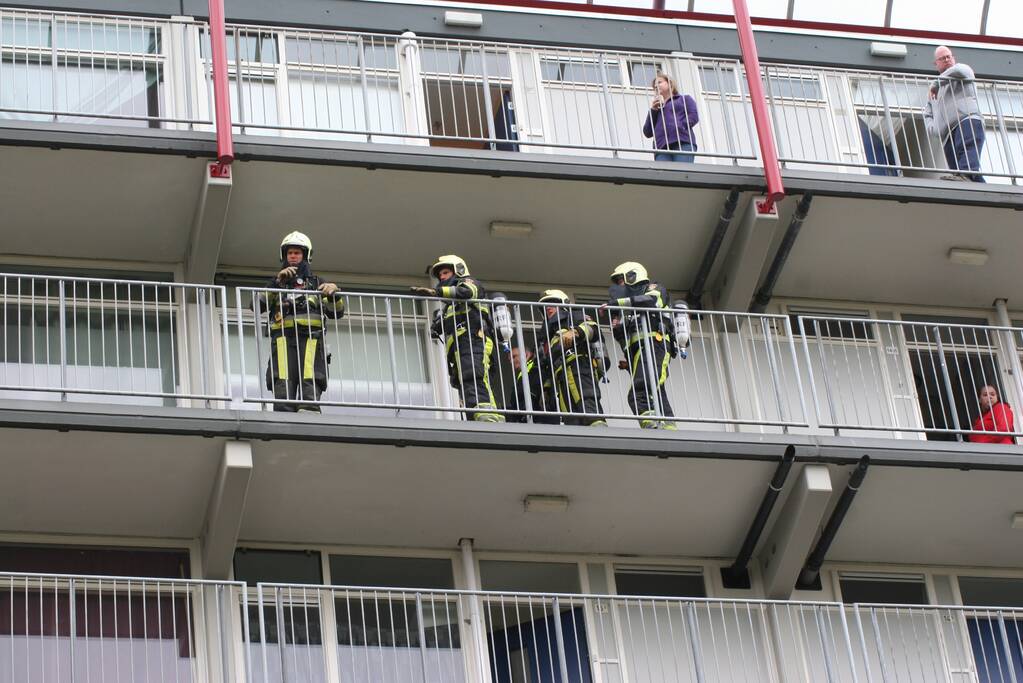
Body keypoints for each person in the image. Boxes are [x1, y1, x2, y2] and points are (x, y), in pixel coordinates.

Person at [411, 255, 503, 423]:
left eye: (445, 272)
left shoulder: (470, 283)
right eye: (440, 275)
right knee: (464, 382)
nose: (442, 277)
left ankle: (488, 417)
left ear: (458, 270)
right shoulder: (450, 306)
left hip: (474, 340)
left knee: (475, 375)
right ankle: (474, 417)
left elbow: (466, 292)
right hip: (460, 348)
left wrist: (436, 292)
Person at [262, 231, 345, 413]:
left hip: (311, 339)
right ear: (284, 256)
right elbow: (257, 305)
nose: (293, 256)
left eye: (297, 253)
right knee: (282, 376)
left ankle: (309, 408)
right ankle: (283, 411)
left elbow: (336, 313)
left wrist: (334, 294)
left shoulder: (317, 283)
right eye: (290, 253)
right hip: (283, 339)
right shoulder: (276, 283)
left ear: (306, 256)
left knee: (311, 374)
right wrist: (277, 283)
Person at [607, 262, 677, 430]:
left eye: (620, 281)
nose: (619, 285)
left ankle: (650, 426)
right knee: (656, 391)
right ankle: (669, 429)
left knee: (639, 392)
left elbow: (651, 301)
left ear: (632, 276)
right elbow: (626, 341)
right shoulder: (630, 310)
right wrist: (617, 327)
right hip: (642, 350)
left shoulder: (653, 288)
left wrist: (619, 303)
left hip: (656, 343)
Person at [538, 289, 607, 427]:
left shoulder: (574, 316)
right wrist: (546, 388)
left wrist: (576, 332)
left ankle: (599, 431)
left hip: (579, 366)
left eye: (552, 303)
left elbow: (593, 328)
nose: (548, 308)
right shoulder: (546, 336)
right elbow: (546, 363)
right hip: (560, 376)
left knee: (586, 399)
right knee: (569, 413)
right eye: (546, 306)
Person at [923, 46, 986, 182]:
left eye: (948, 56)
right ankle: (989, 196)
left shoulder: (963, 70)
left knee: (967, 167)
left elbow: (958, 70)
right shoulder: (935, 92)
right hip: (947, 134)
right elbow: (927, 113)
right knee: (961, 175)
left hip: (966, 121)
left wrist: (936, 83)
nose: (947, 59)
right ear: (936, 64)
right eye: (942, 58)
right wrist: (935, 129)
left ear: (953, 58)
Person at [642, 71, 699, 163]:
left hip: (682, 142)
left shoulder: (684, 99)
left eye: (659, 82)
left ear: (670, 83)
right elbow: (647, 132)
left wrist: (680, 126)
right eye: (654, 86)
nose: (656, 86)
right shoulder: (657, 108)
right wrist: (653, 110)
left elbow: (693, 116)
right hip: (661, 147)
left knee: (682, 173)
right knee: (665, 175)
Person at [508, 344, 559, 425]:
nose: (511, 361)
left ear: (527, 354)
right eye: (510, 359)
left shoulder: (535, 366)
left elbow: (533, 388)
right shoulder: (526, 370)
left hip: (540, 418)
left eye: (514, 356)